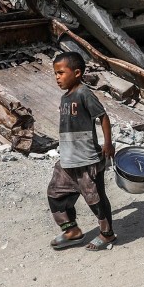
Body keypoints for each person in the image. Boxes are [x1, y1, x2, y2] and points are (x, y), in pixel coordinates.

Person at [46, 51, 117, 250]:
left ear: (77, 73)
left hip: (87, 159)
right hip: (67, 159)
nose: (57, 77)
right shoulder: (65, 98)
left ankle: (107, 234)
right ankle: (72, 231)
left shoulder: (84, 93)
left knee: (96, 199)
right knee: (55, 194)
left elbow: (102, 116)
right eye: (55, 74)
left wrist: (108, 144)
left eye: (61, 72)